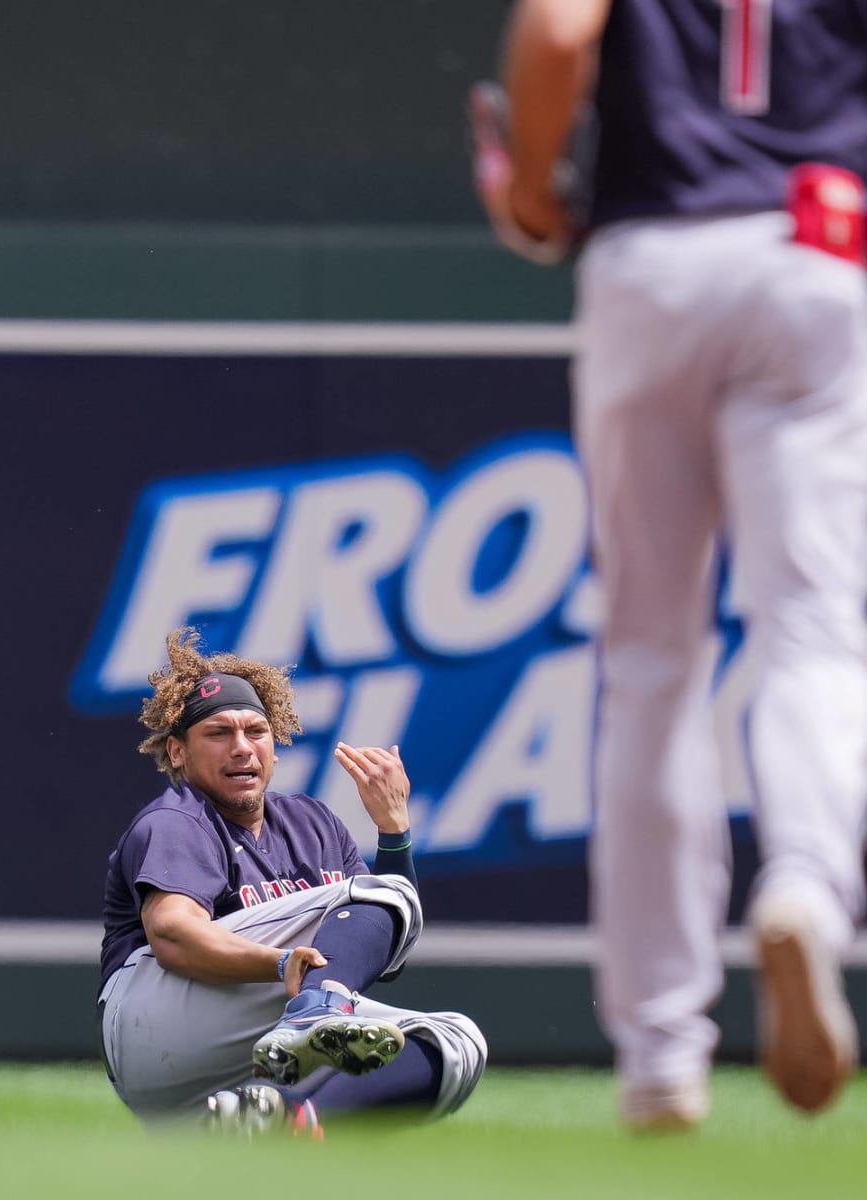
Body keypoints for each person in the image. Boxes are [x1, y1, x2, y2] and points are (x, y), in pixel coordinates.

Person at [477, 0, 867, 1128]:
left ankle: (660, 1057)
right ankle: (804, 886)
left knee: (650, 661)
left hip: (654, 251)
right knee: (813, 627)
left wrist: (532, 185)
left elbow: (556, 33)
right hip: (816, 242)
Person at [97, 628, 486, 1135]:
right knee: (376, 898)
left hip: (249, 1049)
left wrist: (393, 831)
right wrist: (284, 965)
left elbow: (383, 951)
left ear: (275, 747)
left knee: (455, 1043)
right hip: (158, 1019)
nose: (242, 748)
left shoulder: (313, 824)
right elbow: (172, 935)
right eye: (218, 733)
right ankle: (314, 1011)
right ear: (177, 752)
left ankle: (289, 1119)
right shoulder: (177, 818)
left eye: (255, 732)